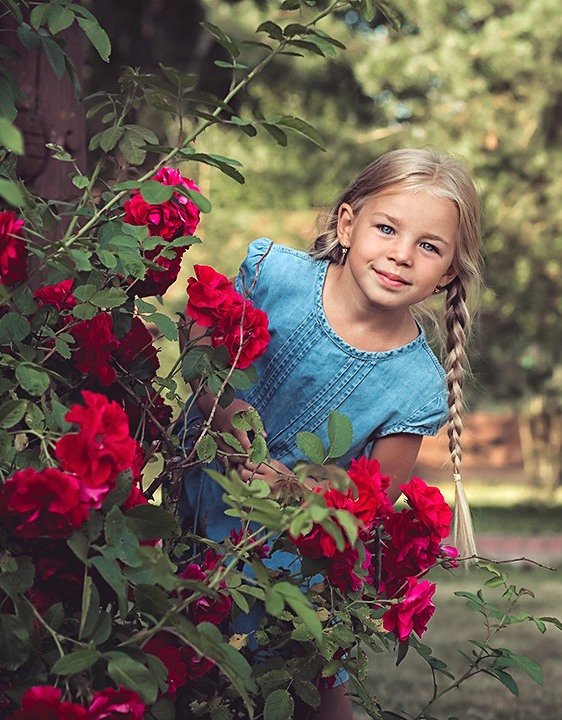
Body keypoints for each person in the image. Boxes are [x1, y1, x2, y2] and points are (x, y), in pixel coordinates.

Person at [178, 147, 483, 720]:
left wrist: (294, 490)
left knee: (305, 681)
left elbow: (373, 499)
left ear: (447, 274)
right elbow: (198, 335)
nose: (401, 254)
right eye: (387, 229)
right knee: (178, 666)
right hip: (195, 496)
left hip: (288, 548)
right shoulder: (275, 275)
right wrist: (231, 420)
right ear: (347, 225)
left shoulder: (416, 382)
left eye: (429, 247)